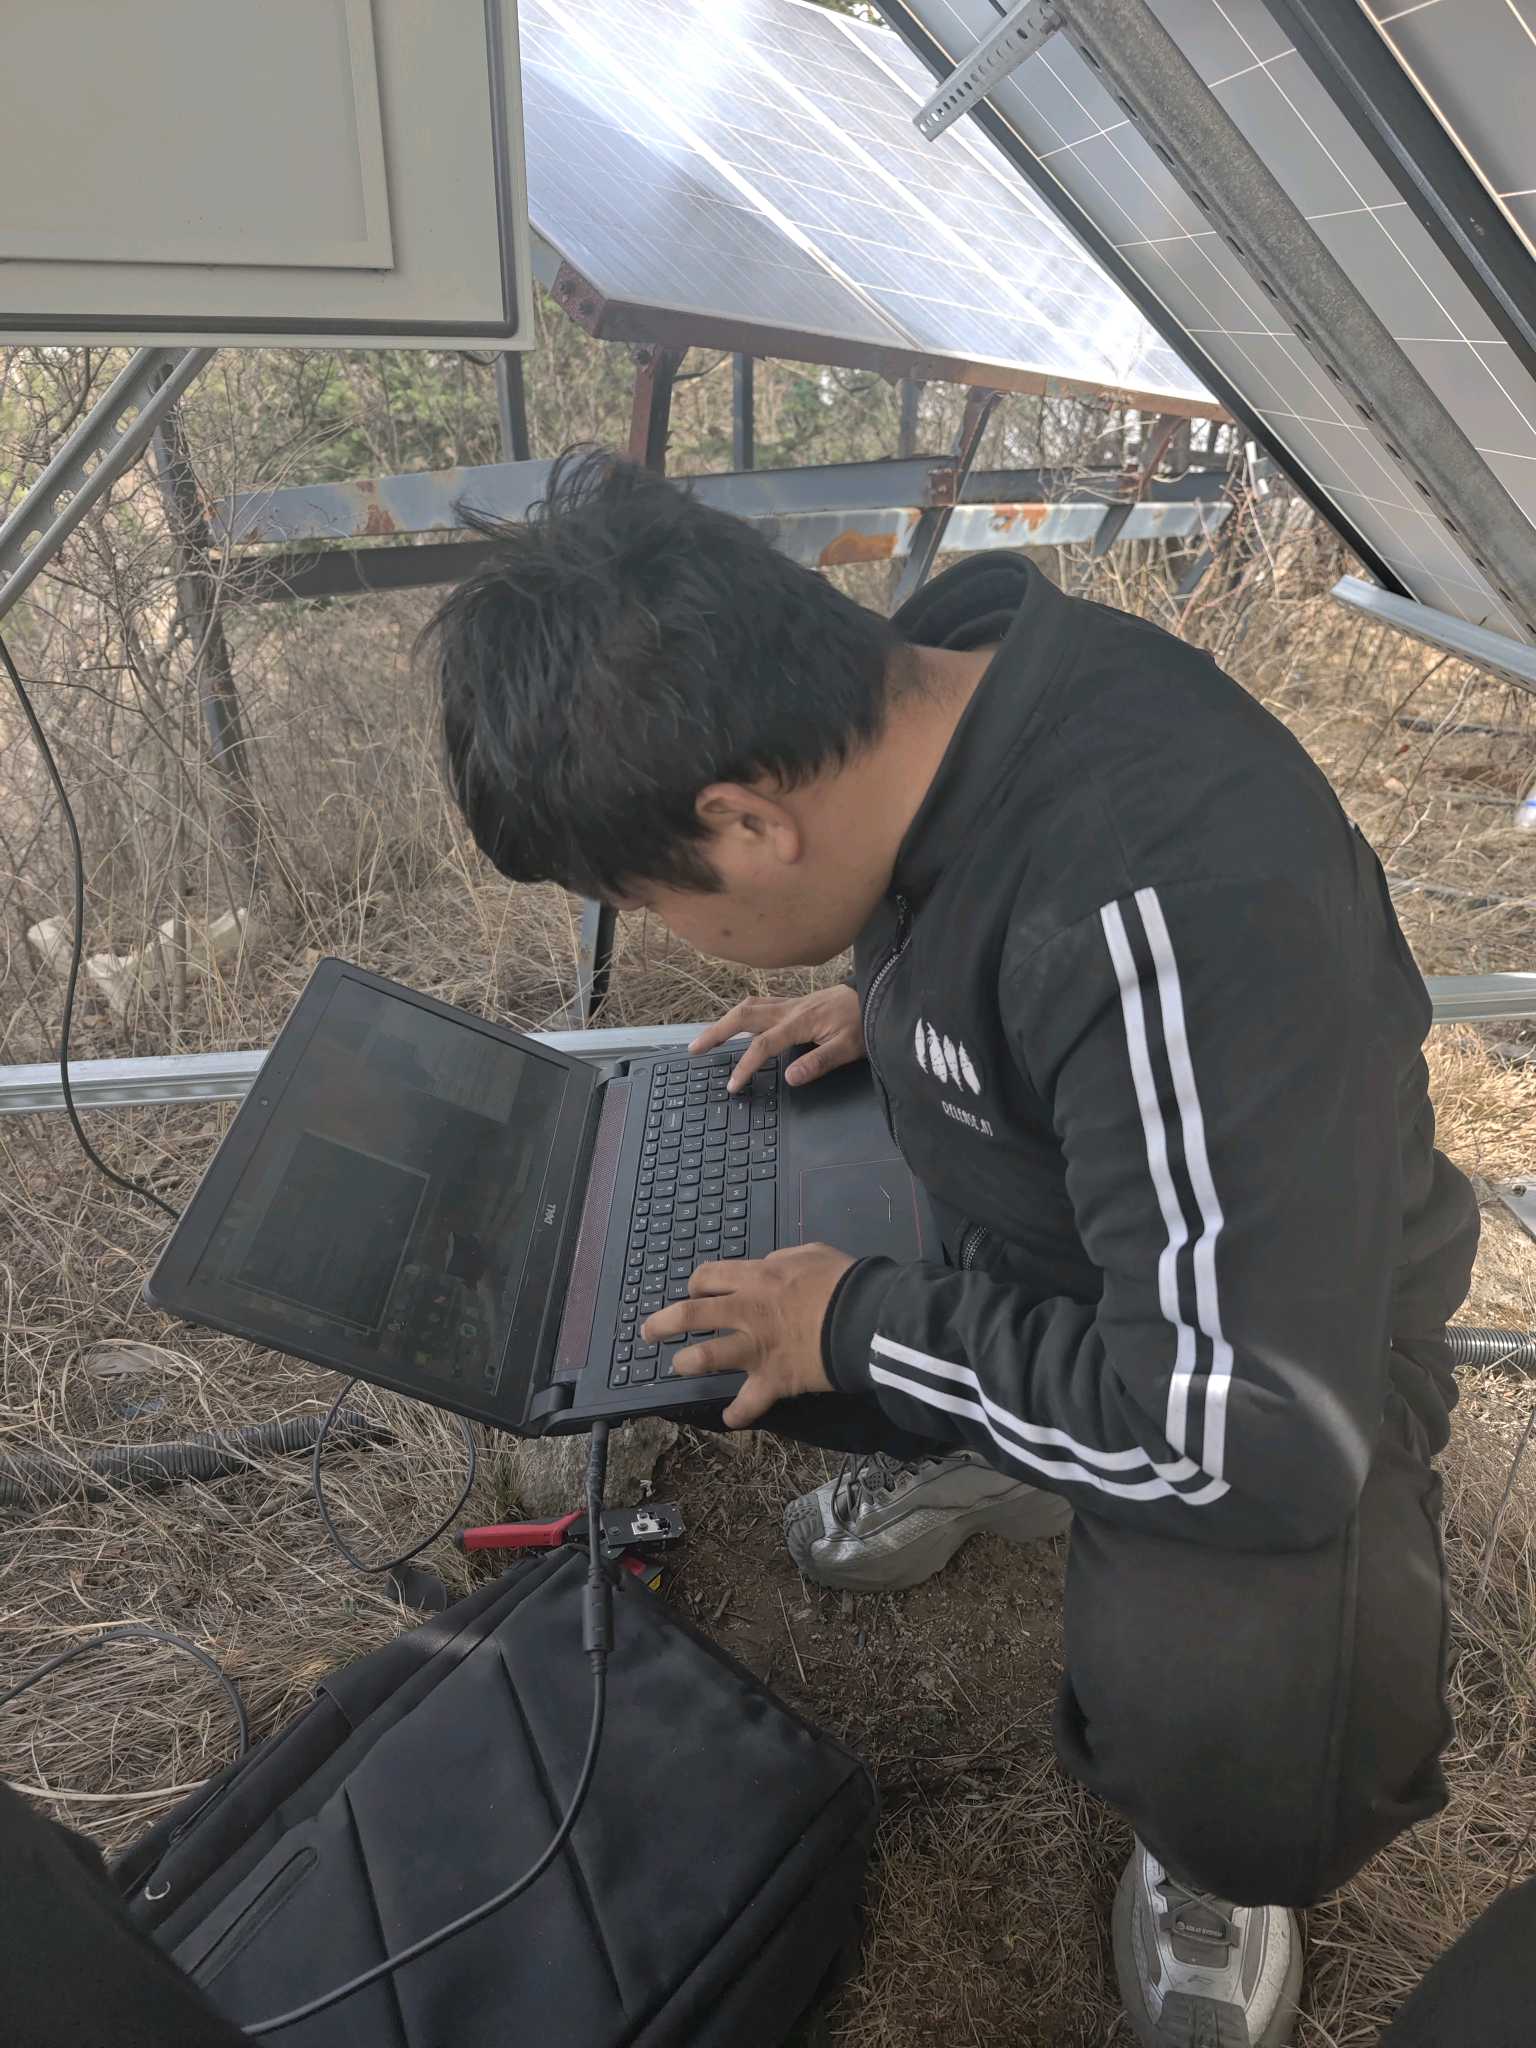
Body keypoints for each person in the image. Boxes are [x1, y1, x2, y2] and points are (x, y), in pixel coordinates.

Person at [425, 450, 1479, 2048]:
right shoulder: (934, 698)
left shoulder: (1167, 899)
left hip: (1287, 1373)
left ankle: (1222, 1852)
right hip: (1105, 1242)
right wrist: (898, 1006)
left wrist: (854, 1325)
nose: (677, 939)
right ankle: (1024, 1444)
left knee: (1230, 1718)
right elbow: (1006, 921)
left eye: (655, 901)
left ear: (747, 820)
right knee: (712, 1315)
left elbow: (1251, 1440)